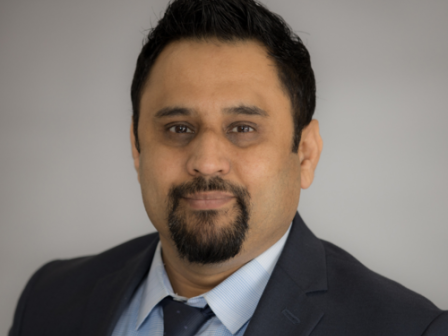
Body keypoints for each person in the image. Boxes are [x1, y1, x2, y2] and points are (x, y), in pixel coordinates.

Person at [9, 0, 448, 335]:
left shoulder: (411, 329)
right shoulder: (50, 298)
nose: (206, 161)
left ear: (306, 154)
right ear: (137, 147)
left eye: (242, 127)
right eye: (178, 127)